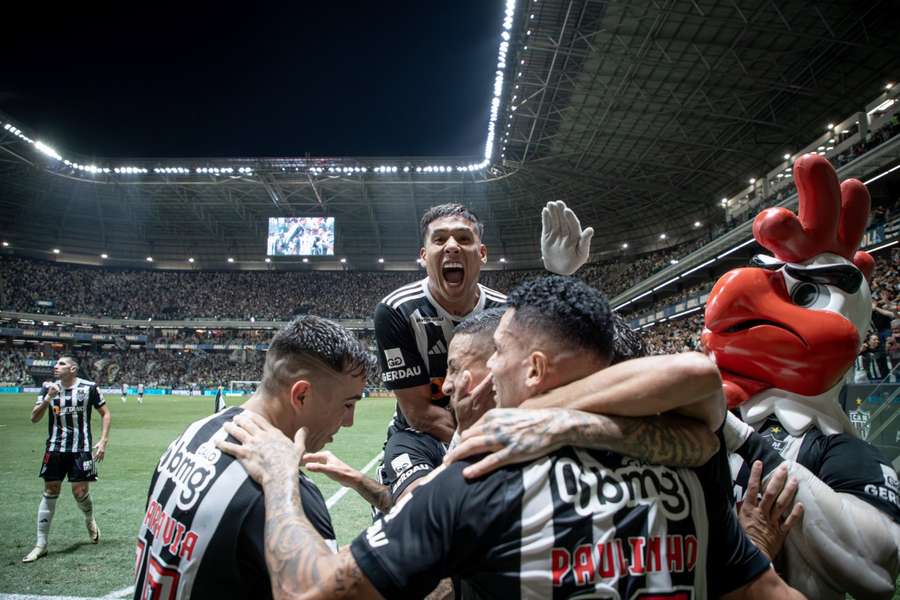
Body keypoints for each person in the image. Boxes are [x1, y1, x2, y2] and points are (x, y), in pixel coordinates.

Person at [219, 277, 803, 599]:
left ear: (534, 369)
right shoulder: (691, 459)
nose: (487, 369)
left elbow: (309, 593)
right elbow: (763, 589)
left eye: (498, 350)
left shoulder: (479, 473)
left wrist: (277, 477)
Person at [132, 315, 377, 600]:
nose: (349, 421)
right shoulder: (287, 497)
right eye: (347, 404)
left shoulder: (192, 434)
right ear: (301, 395)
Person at [23, 356, 111, 562]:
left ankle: (89, 519)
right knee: (51, 489)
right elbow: (34, 418)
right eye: (56, 364)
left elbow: (105, 414)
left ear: (73, 369)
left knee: (80, 491)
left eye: (61, 364)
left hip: (81, 448)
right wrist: (47, 398)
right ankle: (41, 544)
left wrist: (103, 440)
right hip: (55, 448)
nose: (56, 366)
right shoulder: (47, 387)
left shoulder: (89, 388)